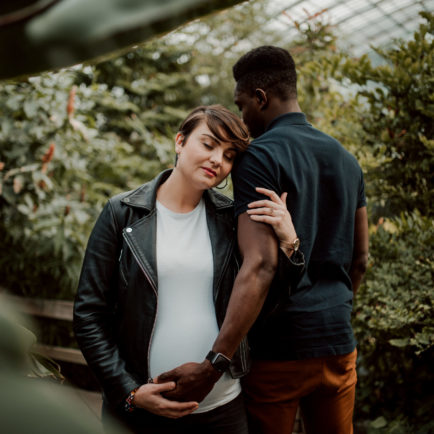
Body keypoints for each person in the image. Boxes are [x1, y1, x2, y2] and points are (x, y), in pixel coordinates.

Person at [158, 47, 369, 434]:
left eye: (242, 106)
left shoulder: (259, 157)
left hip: (279, 352)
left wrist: (213, 366)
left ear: (260, 97)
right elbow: (360, 260)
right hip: (338, 345)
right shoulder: (347, 160)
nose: (243, 119)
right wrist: (334, 310)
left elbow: (261, 265)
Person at [73, 104, 304, 434]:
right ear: (180, 142)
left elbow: (264, 304)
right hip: (139, 412)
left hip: (222, 410)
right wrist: (129, 392)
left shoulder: (232, 220)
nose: (217, 161)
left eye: (229, 155)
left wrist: (289, 244)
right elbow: (88, 314)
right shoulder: (121, 213)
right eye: (208, 145)